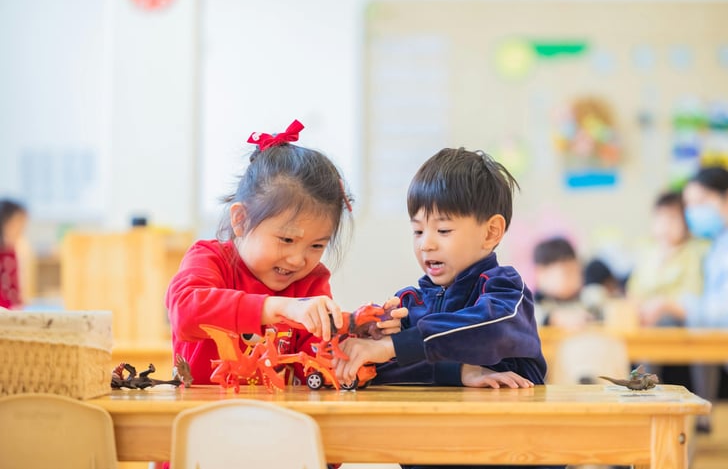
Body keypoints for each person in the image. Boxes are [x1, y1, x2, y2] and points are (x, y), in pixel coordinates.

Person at [165, 120, 401, 386]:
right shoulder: (209, 258)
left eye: (317, 246)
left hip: (279, 410)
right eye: (287, 239)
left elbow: (314, 363)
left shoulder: (310, 281)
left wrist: (357, 337)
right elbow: (185, 313)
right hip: (203, 407)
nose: (298, 260)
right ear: (241, 220)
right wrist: (281, 307)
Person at [335, 148, 545, 390]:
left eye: (443, 230)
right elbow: (383, 373)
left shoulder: (505, 290)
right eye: (418, 231)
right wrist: (371, 341)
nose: (426, 244)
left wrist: (396, 346)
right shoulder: (408, 305)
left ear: (490, 232)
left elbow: (489, 329)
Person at [639, 166, 728, 402]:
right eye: (689, 204)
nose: (693, 212)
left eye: (701, 202)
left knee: (651, 373)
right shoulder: (724, 239)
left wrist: (676, 306)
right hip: (727, 354)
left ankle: (690, 423)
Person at [628, 191, 709, 326]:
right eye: (660, 217)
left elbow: (692, 297)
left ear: (686, 223)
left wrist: (663, 305)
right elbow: (633, 292)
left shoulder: (693, 253)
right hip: (643, 321)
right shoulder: (647, 253)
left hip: (675, 323)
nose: (665, 225)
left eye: (672, 218)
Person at [531, 237, 597, 329]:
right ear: (542, 274)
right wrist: (553, 318)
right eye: (568, 272)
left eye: (577, 270)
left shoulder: (588, 298)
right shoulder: (535, 303)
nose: (575, 278)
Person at [0, 199, 28, 309]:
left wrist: (19, 303)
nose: (20, 231)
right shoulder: (3, 254)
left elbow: (14, 285)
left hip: (12, 310)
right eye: (16, 226)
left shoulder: (11, 252)